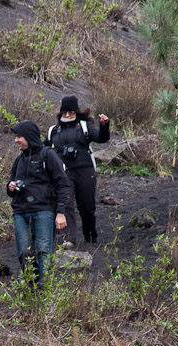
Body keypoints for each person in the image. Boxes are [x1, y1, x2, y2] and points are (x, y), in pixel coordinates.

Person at [7, 120, 69, 283]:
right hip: (20, 211)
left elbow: (63, 183)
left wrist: (60, 212)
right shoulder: (19, 160)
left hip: (44, 211)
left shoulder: (47, 154)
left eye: (19, 136)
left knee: (43, 251)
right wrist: (11, 187)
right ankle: (31, 288)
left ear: (29, 137)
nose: (16, 140)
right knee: (23, 252)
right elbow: (10, 186)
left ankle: (44, 290)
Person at [43, 95, 110, 247]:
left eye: (71, 112)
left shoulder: (84, 126)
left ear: (76, 112)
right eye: (64, 112)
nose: (67, 115)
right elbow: (43, 148)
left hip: (85, 170)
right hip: (63, 173)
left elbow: (101, 138)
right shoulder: (53, 131)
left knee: (86, 206)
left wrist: (104, 126)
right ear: (60, 113)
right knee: (65, 204)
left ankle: (90, 235)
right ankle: (68, 238)